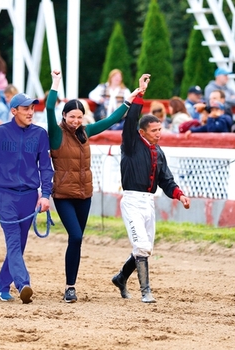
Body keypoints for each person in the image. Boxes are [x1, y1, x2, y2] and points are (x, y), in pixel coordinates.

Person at [47, 70, 143, 303]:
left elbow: (111, 120)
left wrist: (131, 97)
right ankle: (70, 287)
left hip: (85, 194)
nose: (76, 121)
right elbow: (49, 109)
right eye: (72, 117)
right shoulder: (56, 134)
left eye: (79, 117)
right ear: (64, 116)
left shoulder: (85, 132)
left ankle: (71, 285)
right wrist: (56, 82)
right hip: (63, 195)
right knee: (76, 236)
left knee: (77, 240)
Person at [0, 92, 53, 304]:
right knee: (14, 241)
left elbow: (46, 168)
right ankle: (23, 284)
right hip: (6, 196)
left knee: (19, 245)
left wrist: (46, 195)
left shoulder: (41, 135)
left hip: (30, 197)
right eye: (26, 109)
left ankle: (2, 287)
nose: (30, 112)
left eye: (32, 108)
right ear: (14, 111)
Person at [111, 74, 191, 303]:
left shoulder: (159, 152)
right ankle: (146, 291)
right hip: (132, 201)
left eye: (160, 129)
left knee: (145, 249)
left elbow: (166, 179)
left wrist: (180, 195)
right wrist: (140, 93)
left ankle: (120, 277)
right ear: (142, 132)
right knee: (142, 246)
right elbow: (131, 120)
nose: (159, 133)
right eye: (155, 130)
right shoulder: (131, 143)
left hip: (148, 202)